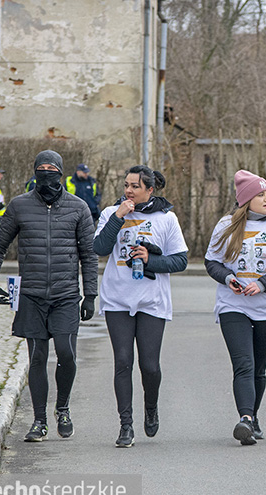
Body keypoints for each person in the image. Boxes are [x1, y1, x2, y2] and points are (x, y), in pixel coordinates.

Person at [0, 150, 97, 442]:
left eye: (52, 168)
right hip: (31, 294)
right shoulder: (20, 206)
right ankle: (39, 421)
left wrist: (90, 295)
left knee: (67, 353)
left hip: (65, 295)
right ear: (35, 172)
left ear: (60, 172)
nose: (46, 173)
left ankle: (63, 408)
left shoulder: (78, 207)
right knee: (37, 357)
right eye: (41, 168)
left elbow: (88, 255)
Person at [93, 165, 188, 448]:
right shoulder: (112, 214)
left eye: (135, 186)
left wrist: (151, 260)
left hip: (151, 301)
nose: (128, 191)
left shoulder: (166, 219)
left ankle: (151, 407)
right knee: (123, 361)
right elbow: (99, 248)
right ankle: (125, 425)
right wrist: (119, 217)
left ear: (150, 190)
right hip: (117, 299)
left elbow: (180, 260)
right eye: (126, 185)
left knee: (150, 366)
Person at [205, 170, 266, 446]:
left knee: (259, 368)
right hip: (232, 305)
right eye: (260, 194)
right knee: (243, 364)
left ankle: (254, 417)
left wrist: (263, 284)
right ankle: (245, 419)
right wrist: (228, 278)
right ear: (247, 199)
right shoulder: (226, 225)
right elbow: (212, 262)